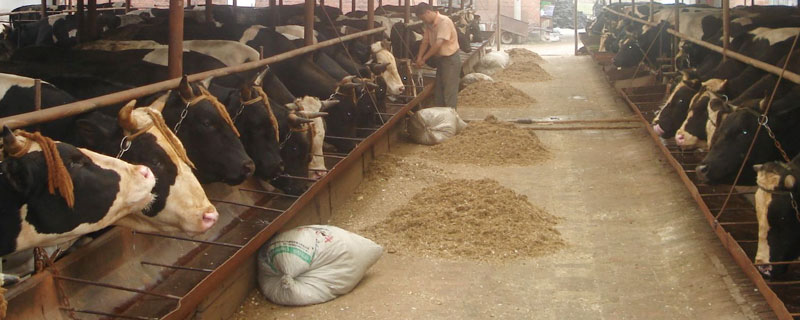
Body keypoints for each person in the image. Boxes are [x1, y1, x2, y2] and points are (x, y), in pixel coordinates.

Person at [414, 3, 461, 109]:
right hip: (440, 59)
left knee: (449, 91)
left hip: (450, 59)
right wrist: (419, 57)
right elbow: (425, 42)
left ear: (428, 12)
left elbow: (438, 44)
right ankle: (441, 115)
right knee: (439, 90)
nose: (423, 21)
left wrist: (424, 59)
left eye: (423, 18)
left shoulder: (444, 21)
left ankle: (450, 117)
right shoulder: (429, 24)